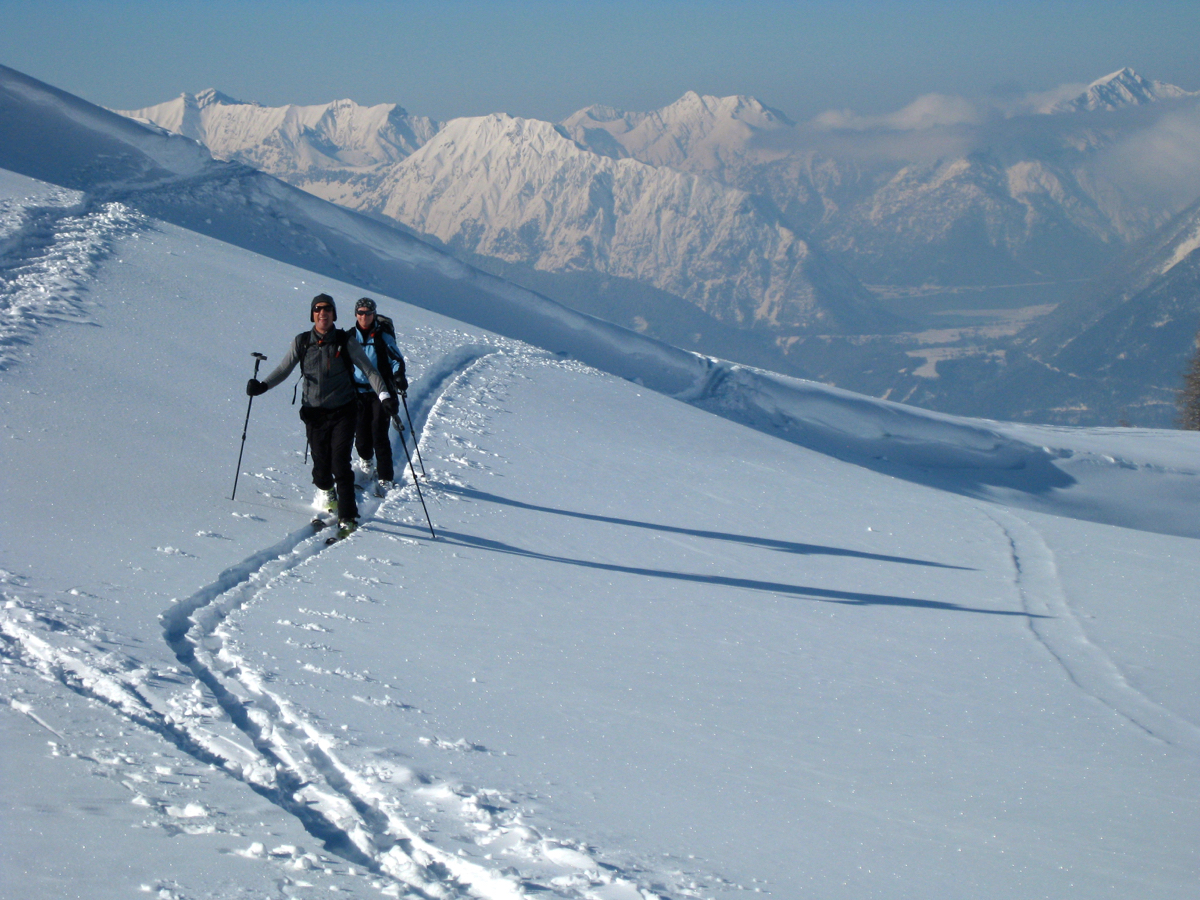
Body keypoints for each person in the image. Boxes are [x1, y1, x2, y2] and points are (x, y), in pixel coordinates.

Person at [246, 293, 397, 537]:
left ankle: (348, 516)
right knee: (321, 470)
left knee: (341, 464)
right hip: (314, 414)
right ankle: (328, 492)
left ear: (334, 314)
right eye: (318, 309)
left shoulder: (344, 341)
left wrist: (385, 396)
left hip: (344, 412)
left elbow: (369, 370)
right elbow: (284, 369)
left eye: (327, 309)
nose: (322, 313)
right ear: (312, 314)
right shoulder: (302, 341)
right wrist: (262, 386)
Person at [350, 297, 407, 491]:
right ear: (356, 314)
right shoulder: (350, 337)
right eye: (360, 313)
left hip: (380, 392)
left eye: (367, 313)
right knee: (361, 436)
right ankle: (366, 460)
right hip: (357, 392)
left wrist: (399, 376)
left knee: (378, 433)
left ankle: (385, 476)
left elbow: (396, 360)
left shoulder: (383, 337)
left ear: (373, 314)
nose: (364, 316)